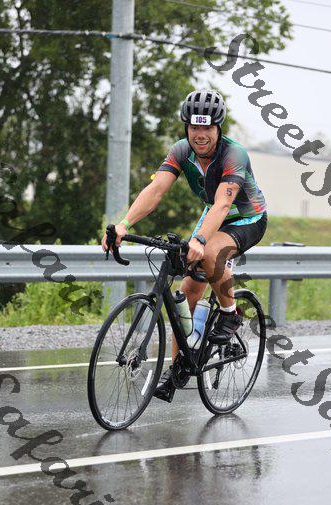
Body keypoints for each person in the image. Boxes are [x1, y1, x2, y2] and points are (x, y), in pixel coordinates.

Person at [102, 89, 267, 401]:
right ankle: (179, 365)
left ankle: (230, 313)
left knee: (211, 253)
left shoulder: (234, 155)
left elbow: (223, 205)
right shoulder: (181, 151)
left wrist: (200, 240)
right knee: (187, 291)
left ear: (218, 128)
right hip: (212, 216)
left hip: (246, 218)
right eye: (194, 127)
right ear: (186, 127)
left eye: (207, 128)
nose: (200, 135)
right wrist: (124, 224)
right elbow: (155, 190)